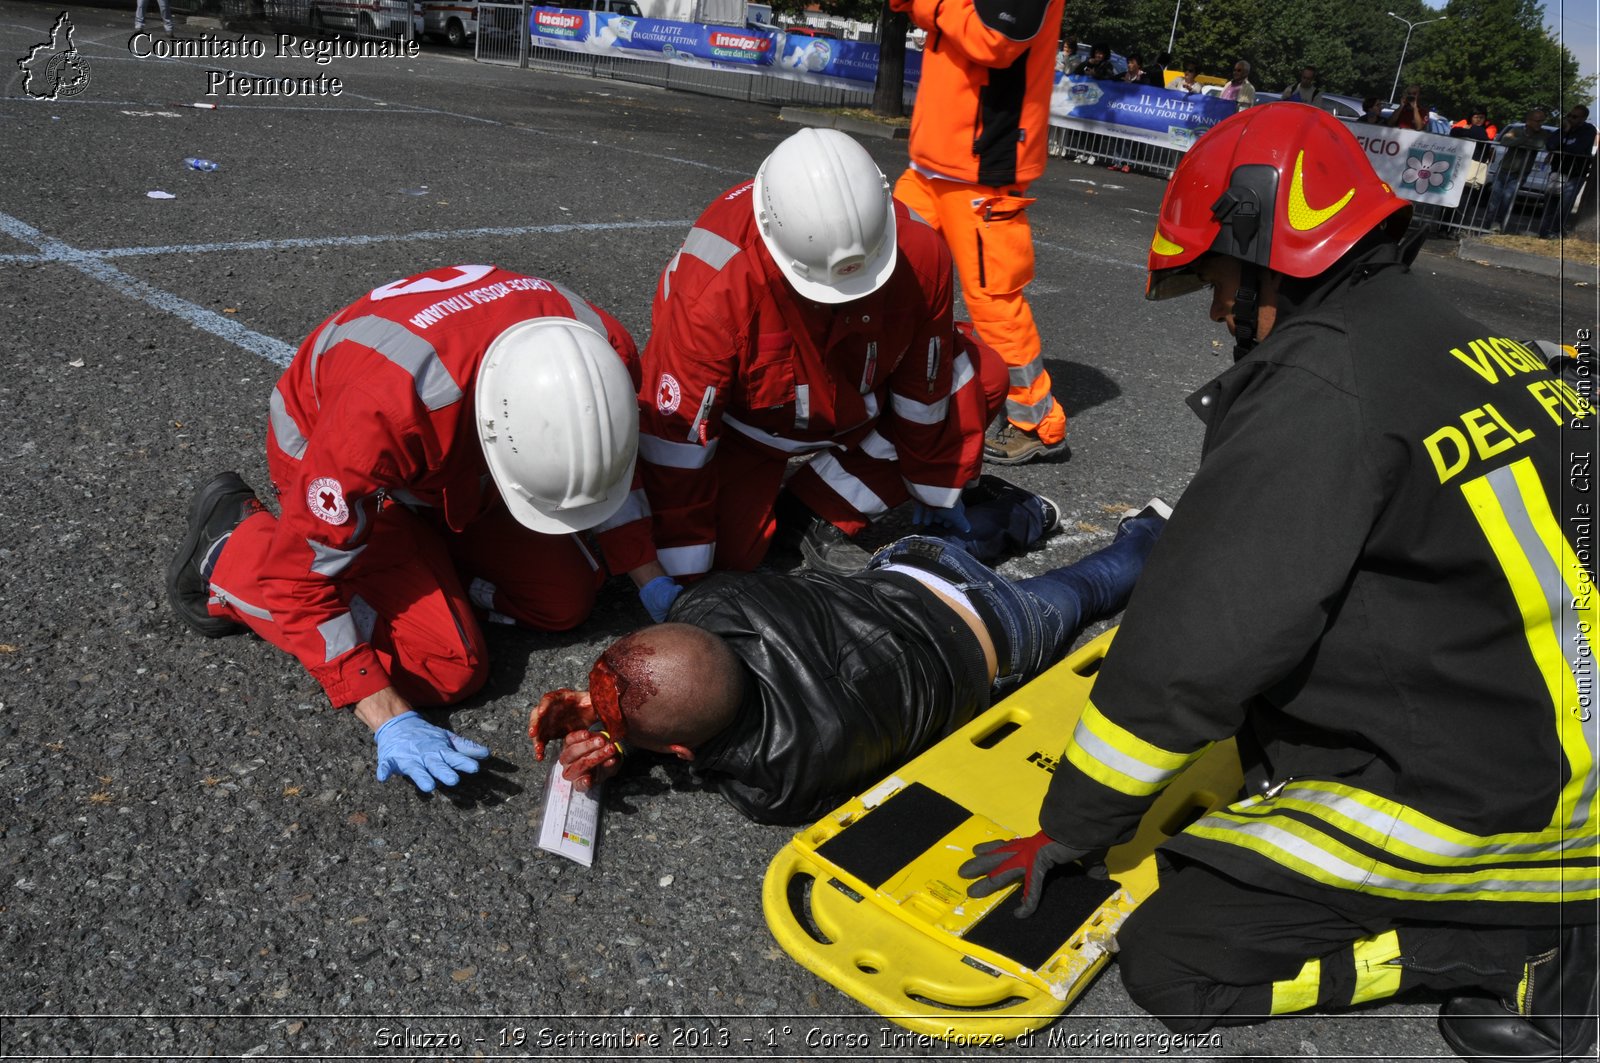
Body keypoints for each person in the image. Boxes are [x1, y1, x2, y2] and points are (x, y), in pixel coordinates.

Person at [958, 105, 1598, 1061]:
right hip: (1552, 752)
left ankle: (1521, 950)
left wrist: (1072, 823)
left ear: (1268, 241)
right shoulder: (1466, 343)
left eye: (1218, 280)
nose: (1219, 312)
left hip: (1490, 813)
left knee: (1181, 958)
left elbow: (1197, 640)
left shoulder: (1321, 383)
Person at [167, 266, 664, 793]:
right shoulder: (377, 419)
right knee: (448, 666)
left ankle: (425, 572)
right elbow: (299, 585)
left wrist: (654, 580)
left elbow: (608, 462)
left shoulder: (597, 351)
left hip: (449, 465)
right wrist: (387, 715)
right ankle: (230, 550)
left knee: (560, 599)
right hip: (338, 465)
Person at [530, 479, 1170, 824]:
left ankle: (1150, 536)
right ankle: (1038, 514)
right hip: (912, 566)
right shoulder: (716, 605)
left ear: (677, 750)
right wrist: (608, 708)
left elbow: (704, 747)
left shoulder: (778, 782)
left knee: (1087, 588)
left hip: (998, 634)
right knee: (987, 551)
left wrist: (622, 740)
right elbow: (676, 624)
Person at [637, 128, 1005, 584]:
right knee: (728, 557)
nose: (844, 299)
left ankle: (816, 510)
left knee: (980, 376)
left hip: (855, 409)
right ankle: (762, 509)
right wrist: (683, 581)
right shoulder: (714, 288)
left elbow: (923, 390)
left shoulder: (922, 252)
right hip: (750, 432)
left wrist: (935, 481)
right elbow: (678, 439)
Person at [890, 0, 1070, 467]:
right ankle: (881, 387)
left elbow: (996, 40)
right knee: (882, 268)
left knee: (993, 300)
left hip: (984, 166)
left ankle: (1038, 424)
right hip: (935, 162)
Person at [1538, 104, 1598, 239]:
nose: (1570, 118)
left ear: (1583, 118)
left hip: (1575, 173)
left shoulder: (1588, 130)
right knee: (1550, 203)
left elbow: (1578, 148)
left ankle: (1554, 232)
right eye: (1569, 115)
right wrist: (1565, 132)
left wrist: (1563, 146)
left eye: (1575, 116)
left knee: (1564, 205)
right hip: (1558, 171)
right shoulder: (1563, 129)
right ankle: (1543, 233)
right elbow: (1550, 145)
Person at [1485, 106, 1549, 233]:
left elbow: (1540, 144)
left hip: (1520, 173)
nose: (1539, 124)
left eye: (1541, 121)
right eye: (1537, 120)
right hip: (1504, 169)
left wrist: (1521, 142)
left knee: (1507, 198)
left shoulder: (1543, 134)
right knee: (1495, 198)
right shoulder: (1516, 129)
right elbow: (1505, 141)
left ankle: (1498, 224)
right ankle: (1487, 223)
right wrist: (1525, 139)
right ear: (1529, 120)